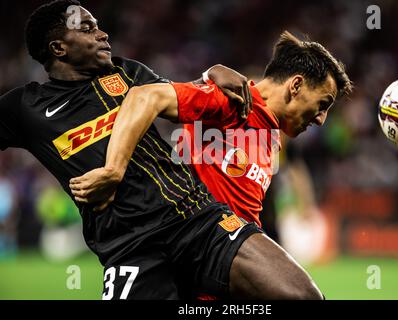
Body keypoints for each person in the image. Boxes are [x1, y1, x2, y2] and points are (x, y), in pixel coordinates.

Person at [0, 0, 316, 300]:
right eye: (87, 28)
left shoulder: (127, 73)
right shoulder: (26, 108)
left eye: (98, 26)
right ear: (59, 48)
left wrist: (210, 74)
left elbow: (181, 95)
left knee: (301, 295)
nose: (102, 33)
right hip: (130, 246)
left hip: (195, 220)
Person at [70, 31, 352, 298]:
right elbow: (146, 96)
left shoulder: (272, 133)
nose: (321, 119)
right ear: (296, 85)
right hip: (198, 256)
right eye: (323, 104)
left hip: (230, 266)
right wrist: (113, 170)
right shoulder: (233, 102)